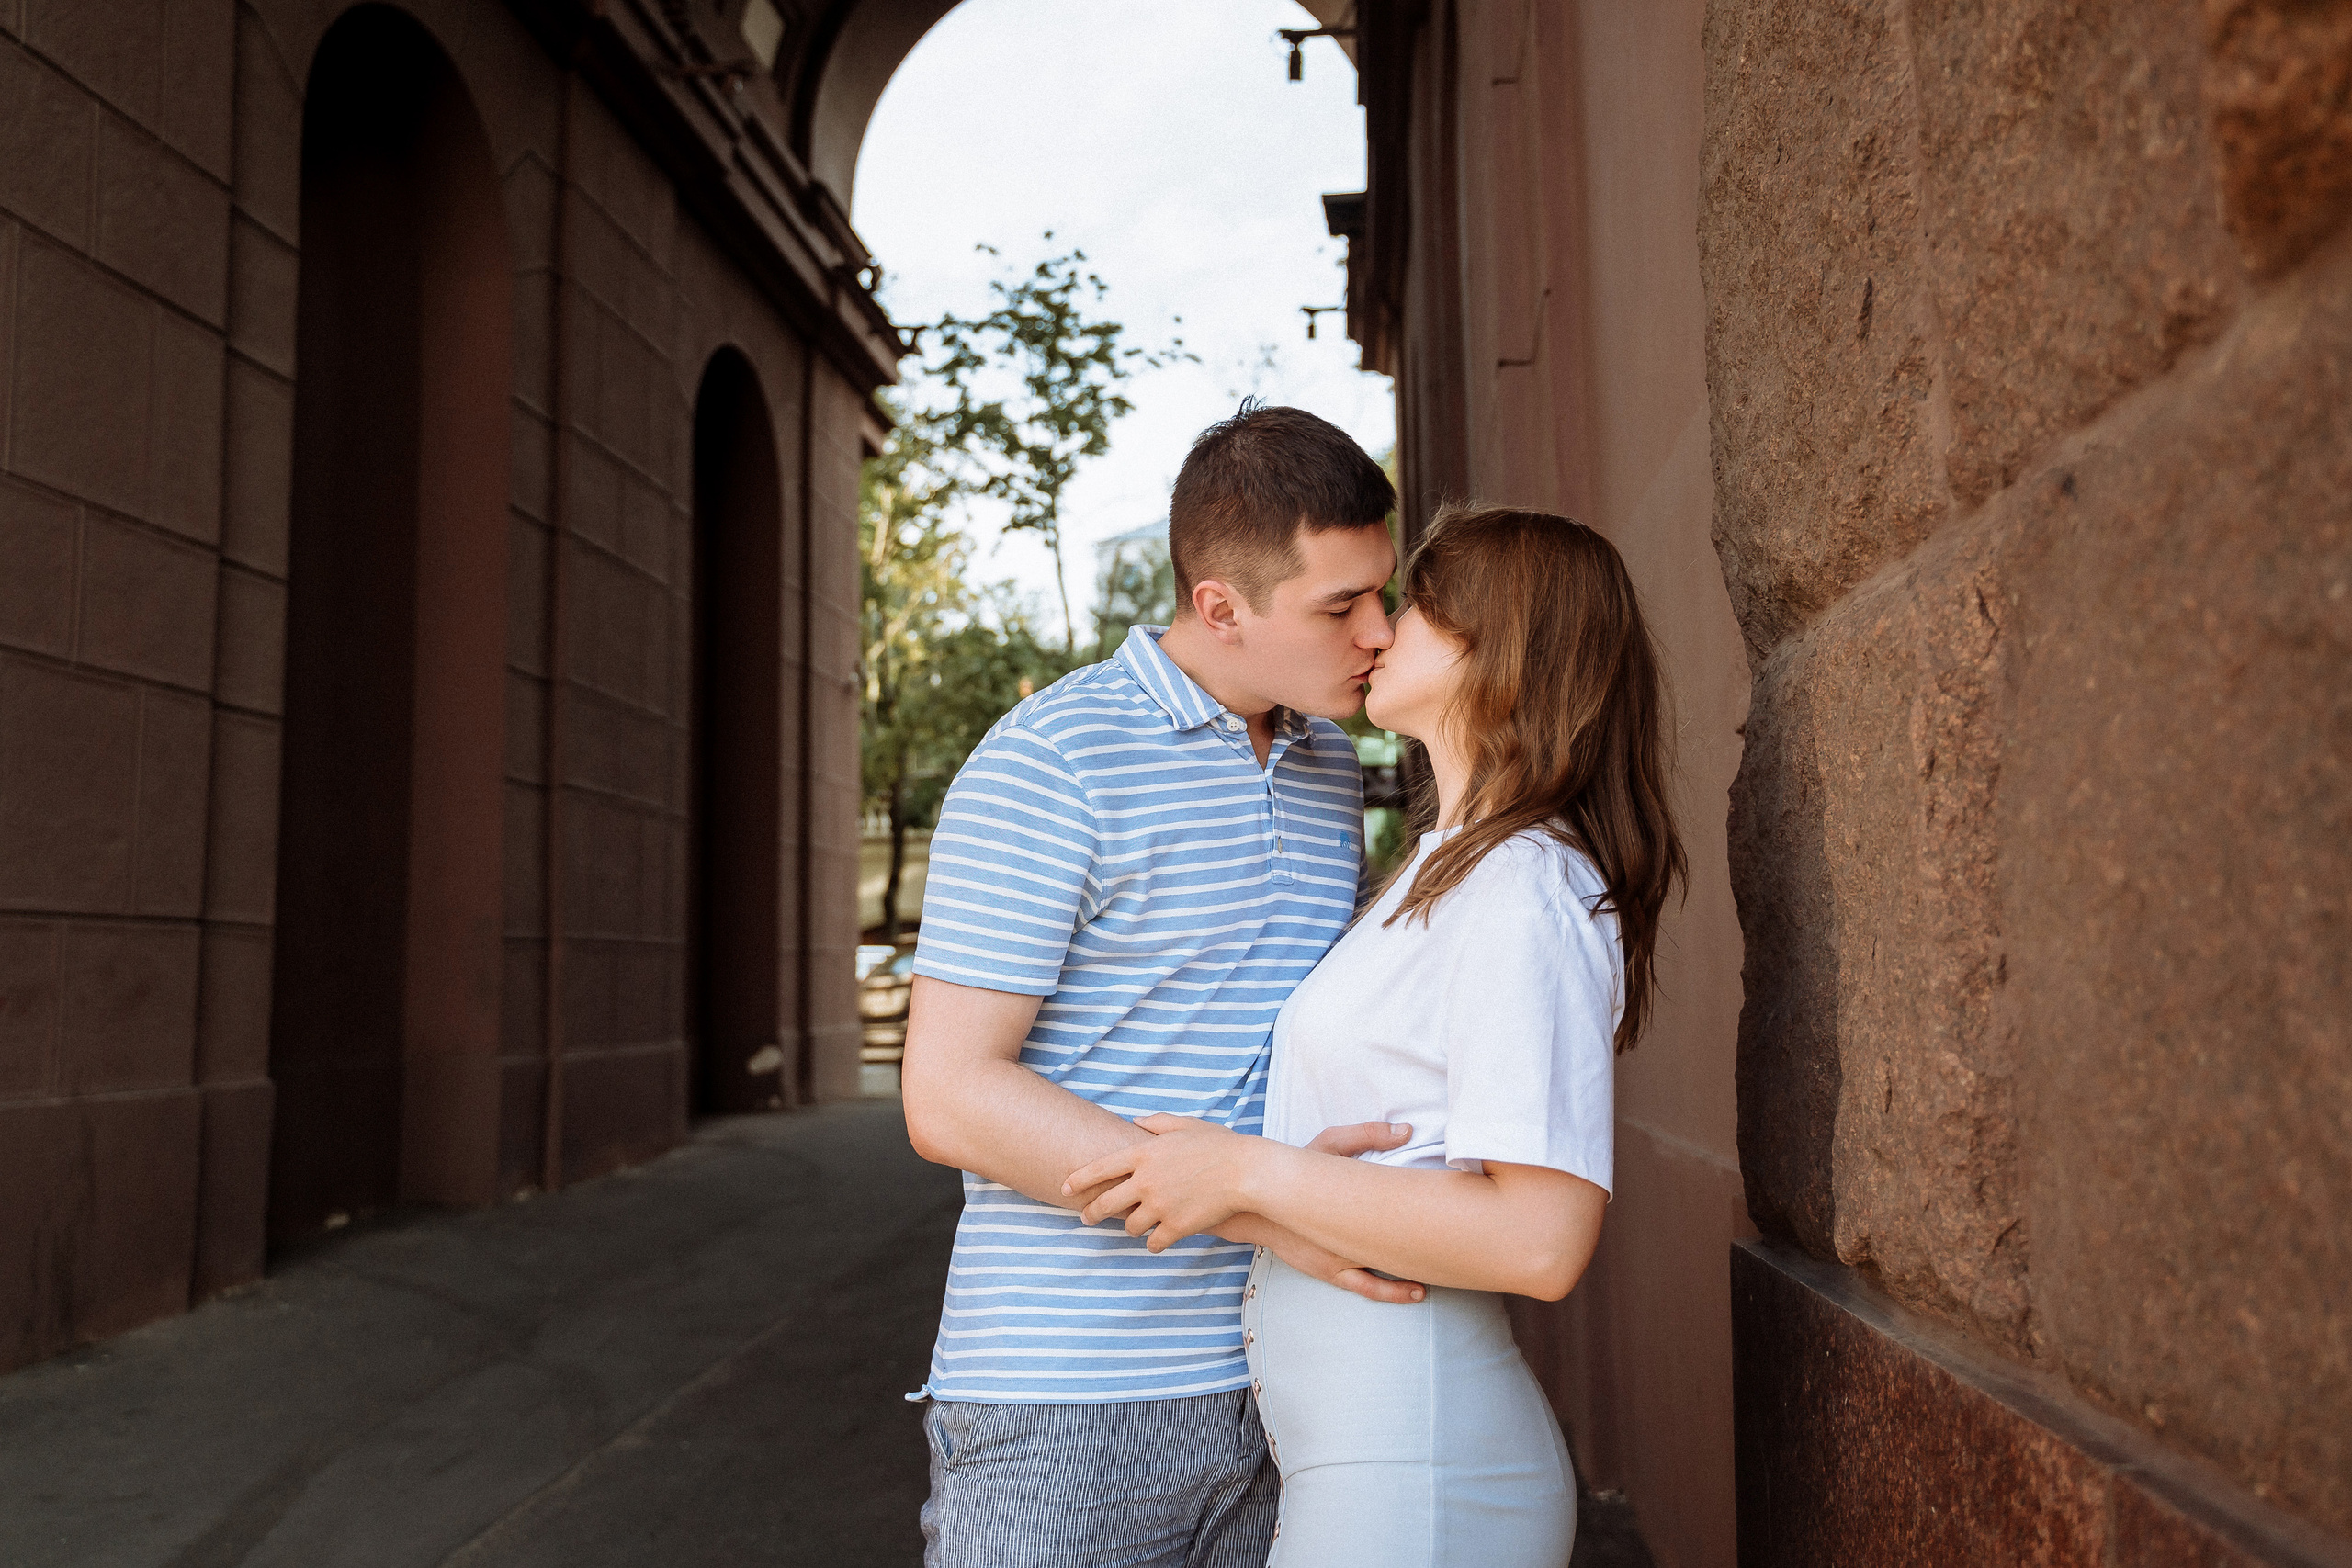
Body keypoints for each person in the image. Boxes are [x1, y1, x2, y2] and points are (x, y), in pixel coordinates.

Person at [1064, 504, 1687, 1567]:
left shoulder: (1523, 884)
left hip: (1419, 1474)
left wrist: (1248, 1172)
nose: (1380, 630)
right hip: (1369, 1462)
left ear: (1500, 650)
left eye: (1417, 606)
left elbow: (1540, 1242)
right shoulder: (1444, 867)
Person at [901, 403, 1423, 1568]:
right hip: (1066, 1395)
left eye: (1380, 594)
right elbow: (949, 1098)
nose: (1377, 631)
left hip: (1287, 1365)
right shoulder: (1051, 759)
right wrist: (1266, 1208)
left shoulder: (1327, 760)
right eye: (1338, 605)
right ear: (1219, 607)